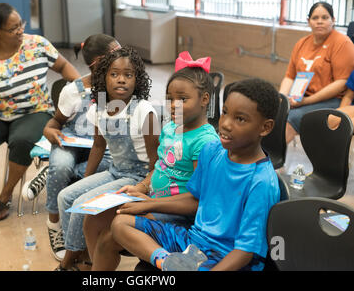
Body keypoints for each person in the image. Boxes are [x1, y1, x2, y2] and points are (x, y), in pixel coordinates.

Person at [111, 78, 281, 271]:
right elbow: (194, 197)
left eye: (240, 119)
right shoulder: (211, 151)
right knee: (121, 223)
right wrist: (147, 204)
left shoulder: (262, 181)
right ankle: (166, 262)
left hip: (224, 257)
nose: (225, 124)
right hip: (193, 242)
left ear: (265, 127)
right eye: (225, 113)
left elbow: (244, 251)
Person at [83, 51, 220, 271]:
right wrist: (141, 186)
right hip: (154, 201)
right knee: (93, 219)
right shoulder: (171, 129)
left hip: (179, 215)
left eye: (182, 99)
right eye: (170, 99)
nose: (173, 105)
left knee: (110, 237)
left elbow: (198, 200)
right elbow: (160, 167)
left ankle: (170, 263)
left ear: (205, 99)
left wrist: (147, 203)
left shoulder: (205, 141)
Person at [0, 3, 80, 221]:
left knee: (21, 141)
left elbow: (63, 66)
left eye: (21, 24)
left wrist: (82, 90)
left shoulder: (37, 45)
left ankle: (5, 194)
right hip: (1, 115)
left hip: (36, 111)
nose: (20, 30)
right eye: (13, 28)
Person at [54, 46, 160, 270]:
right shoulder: (98, 109)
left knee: (83, 204)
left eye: (128, 75)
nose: (121, 80)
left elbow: (157, 163)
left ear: (137, 79)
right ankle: (81, 254)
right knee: (66, 196)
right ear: (103, 77)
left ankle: (72, 261)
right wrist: (87, 180)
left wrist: (144, 187)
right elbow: (99, 146)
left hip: (137, 177)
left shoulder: (144, 111)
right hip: (115, 171)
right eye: (114, 74)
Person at [20, 34, 120, 260]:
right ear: (98, 63)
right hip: (72, 141)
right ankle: (55, 225)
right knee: (63, 166)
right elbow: (55, 122)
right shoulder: (73, 91)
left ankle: (48, 174)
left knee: (113, 166)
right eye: (117, 55)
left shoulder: (120, 86)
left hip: (100, 147)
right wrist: (49, 131)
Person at [279, 1, 354, 144]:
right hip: (301, 97)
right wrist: (282, 98)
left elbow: (341, 83)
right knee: (276, 112)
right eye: (315, 18)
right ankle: (256, 155)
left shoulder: (342, 43)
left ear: (333, 20)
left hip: (333, 100)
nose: (320, 22)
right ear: (308, 21)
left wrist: (306, 102)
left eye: (325, 18)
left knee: (291, 118)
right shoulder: (301, 43)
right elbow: (289, 76)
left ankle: (271, 160)